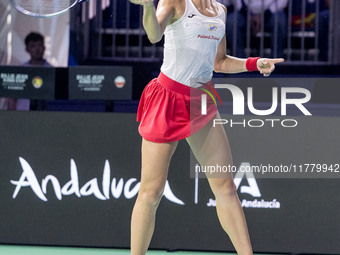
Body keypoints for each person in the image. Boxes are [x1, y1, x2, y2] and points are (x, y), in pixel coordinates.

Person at [129, 0, 284, 254]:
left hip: (202, 102)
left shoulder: (220, 11)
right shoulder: (174, 2)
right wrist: (147, 5)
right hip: (168, 98)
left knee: (226, 187)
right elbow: (154, 34)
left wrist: (254, 63)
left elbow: (219, 62)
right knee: (151, 191)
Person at [5, 32, 52, 111]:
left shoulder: (51, 71)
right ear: (27, 49)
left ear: (44, 47)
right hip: (22, 115)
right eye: (33, 46)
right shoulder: (20, 71)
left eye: (40, 45)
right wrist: (11, 118)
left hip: (45, 116)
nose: (37, 49)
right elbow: (12, 99)